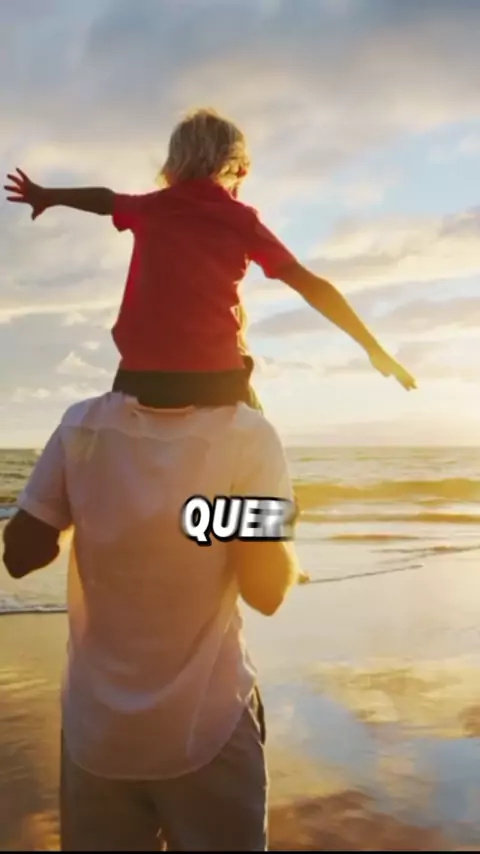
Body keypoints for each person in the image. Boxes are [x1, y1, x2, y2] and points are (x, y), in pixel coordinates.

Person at [3, 391, 302, 851]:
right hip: (208, 728)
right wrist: (269, 526)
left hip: (97, 733)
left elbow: (20, 554)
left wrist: (92, 506)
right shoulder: (246, 433)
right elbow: (267, 592)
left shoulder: (81, 424)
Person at [3, 107, 416, 412]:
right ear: (233, 165)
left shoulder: (150, 208)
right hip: (216, 381)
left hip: (138, 381)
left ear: (174, 161)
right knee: (265, 468)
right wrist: (373, 348)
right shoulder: (240, 219)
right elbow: (311, 285)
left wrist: (49, 195)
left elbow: (104, 200)